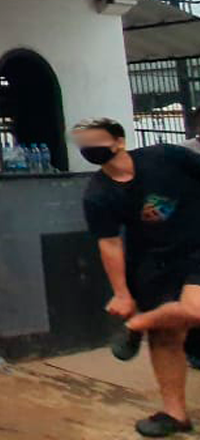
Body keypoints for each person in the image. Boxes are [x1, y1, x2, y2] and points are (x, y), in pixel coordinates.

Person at [75, 118, 200, 437]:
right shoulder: (98, 194)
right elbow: (110, 243)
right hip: (152, 263)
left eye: (95, 139)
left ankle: (136, 326)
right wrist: (121, 293)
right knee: (167, 336)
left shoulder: (166, 157)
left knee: (196, 310)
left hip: (197, 247)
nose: (88, 146)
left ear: (118, 141)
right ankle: (175, 414)